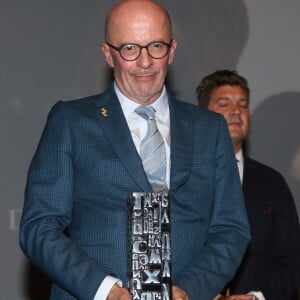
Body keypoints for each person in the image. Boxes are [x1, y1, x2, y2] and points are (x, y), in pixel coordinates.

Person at [19, 2, 251, 299]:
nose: (145, 62)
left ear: (172, 50)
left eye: (156, 46)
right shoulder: (71, 121)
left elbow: (231, 229)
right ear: (108, 53)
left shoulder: (210, 129)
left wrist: (190, 290)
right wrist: (106, 290)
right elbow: (40, 226)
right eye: (130, 48)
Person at [196, 69, 300, 300]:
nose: (236, 112)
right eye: (224, 103)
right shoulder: (180, 177)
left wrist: (256, 297)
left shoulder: (272, 182)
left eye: (243, 105)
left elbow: (292, 259)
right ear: (202, 116)